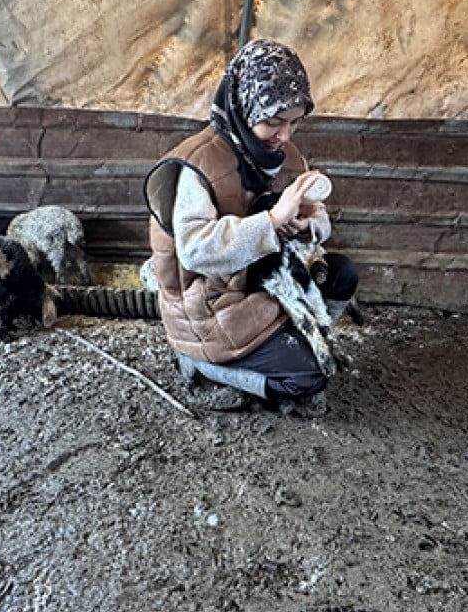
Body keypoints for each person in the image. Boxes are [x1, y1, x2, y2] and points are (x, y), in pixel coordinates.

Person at [143, 39, 359, 416]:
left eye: (294, 122)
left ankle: (300, 339)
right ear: (243, 108)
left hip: (267, 285)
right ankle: (204, 367)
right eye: (273, 122)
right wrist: (273, 221)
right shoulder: (198, 164)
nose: (285, 136)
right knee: (308, 381)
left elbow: (319, 224)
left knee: (342, 274)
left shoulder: (285, 155)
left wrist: (308, 225)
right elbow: (194, 252)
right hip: (213, 307)